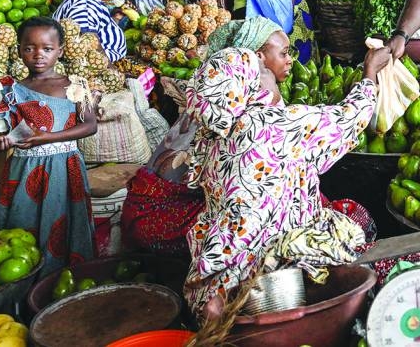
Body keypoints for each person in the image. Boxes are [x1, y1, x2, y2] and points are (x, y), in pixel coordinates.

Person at [183, 43, 391, 321]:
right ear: (248, 85)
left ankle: (222, 303)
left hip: (223, 259)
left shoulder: (209, 139)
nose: (268, 73)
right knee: (349, 230)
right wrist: (370, 72)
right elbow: (348, 119)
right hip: (271, 267)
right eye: (260, 70)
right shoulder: (275, 125)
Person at [121, 17, 292, 256]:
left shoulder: (218, 89)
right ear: (258, 56)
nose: (290, 60)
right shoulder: (255, 92)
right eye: (284, 53)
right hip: (162, 219)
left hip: (144, 213)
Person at [0, 17, 98, 274]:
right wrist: (3, 141)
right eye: (29, 48)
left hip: (64, 166)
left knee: (63, 220)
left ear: (60, 51)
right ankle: (28, 281)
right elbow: (10, 133)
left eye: (47, 49)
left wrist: (46, 137)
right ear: (18, 50)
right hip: (24, 169)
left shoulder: (75, 85)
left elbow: (90, 125)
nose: (38, 55)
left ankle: (64, 278)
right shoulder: (11, 91)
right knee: (24, 222)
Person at [52, 0, 126, 63]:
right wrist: (109, 67)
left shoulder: (75, 0)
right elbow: (88, 38)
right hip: (98, 67)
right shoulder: (85, 2)